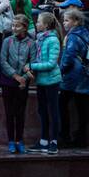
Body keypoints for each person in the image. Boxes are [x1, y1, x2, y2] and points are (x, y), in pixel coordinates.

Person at [26, 11, 62, 154]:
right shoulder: (39, 39)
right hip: (41, 81)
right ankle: (44, 141)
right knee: (42, 111)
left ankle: (54, 142)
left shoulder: (53, 40)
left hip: (52, 81)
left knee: (53, 112)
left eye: (39, 22)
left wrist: (32, 66)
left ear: (46, 25)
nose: (36, 24)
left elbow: (51, 63)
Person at [0, 15, 34, 153]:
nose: (14, 28)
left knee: (20, 112)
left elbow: (33, 61)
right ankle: (11, 141)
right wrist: (15, 75)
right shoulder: (7, 41)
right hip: (8, 81)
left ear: (25, 27)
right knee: (9, 112)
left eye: (17, 26)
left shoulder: (31, 43)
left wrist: (24, 78)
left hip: (23, 83)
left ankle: (19, 140)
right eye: (13, 25)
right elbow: (3, 61)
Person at [58, 9, 89, 148]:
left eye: (67, 20)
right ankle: (81, 138)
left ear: (76, 21)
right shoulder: (85, 33)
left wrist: (61, 71)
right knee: (82, 110)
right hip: (84, 76)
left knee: (62, 105)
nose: (64, 23)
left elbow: (69, 57)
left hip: (72, 77)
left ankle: (64, 137)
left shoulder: (72, 36)